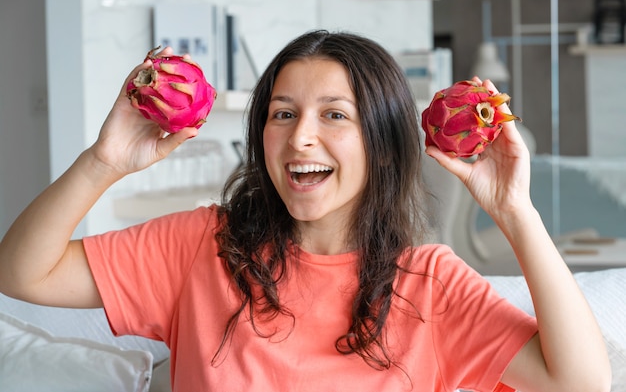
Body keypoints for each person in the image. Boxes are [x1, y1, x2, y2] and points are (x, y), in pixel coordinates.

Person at [0, 30, 611, 392]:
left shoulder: (431, 282)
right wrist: (104, 160)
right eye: (283, 113)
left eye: (335, 115)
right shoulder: (201, 244)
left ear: (381, 140)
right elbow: (25, 273)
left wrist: (515, 211)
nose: (300, 139)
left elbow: (581, 383)